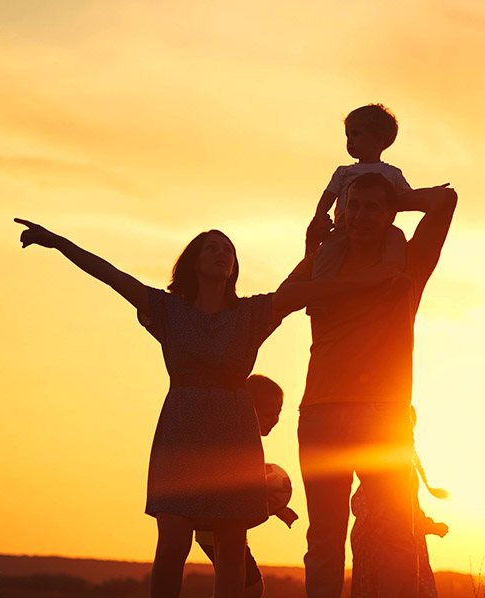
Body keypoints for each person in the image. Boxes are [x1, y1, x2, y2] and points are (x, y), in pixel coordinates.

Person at [14, 219, 300, 598]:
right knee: (173, 543)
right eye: (211, 247)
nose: (221, 254)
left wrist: (319, 249)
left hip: (235, 436)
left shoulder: (249, 314)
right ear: (193, 262)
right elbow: (111, 275)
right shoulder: (167, 310)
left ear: (234, 267)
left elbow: (296, 293)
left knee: (231, 547)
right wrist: (58, 242)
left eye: (228, 250)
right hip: (181, 431)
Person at [276, 172, 457, 598]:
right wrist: (313, 251)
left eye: (372, 207)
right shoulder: (321, 262)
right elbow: (279, 303)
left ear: (390, 213)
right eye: (352, 205)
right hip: (322, 413)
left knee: (396, 533)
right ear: (341, 210)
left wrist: (398, 197)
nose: (359, 215)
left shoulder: (408, 264)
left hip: (385, 415)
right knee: (324, 539)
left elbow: (445, 202)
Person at [194, 374, 299, 598]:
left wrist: (278, 508)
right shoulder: (235, 443)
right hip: (215, 528)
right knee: (246, 587)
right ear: (248, 410)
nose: (275, 420)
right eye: (270, 414)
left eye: (279, 414)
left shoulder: (244, 442)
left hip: (225, 527)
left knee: (240, 586)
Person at [350, 407, 449, 598]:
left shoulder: (404, 465)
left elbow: (410, 507)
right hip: (381, 541)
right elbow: (364, 501)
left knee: (409, 585)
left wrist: (428, 525)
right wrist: (379, 526)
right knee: (389, 585)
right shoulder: (383, 463)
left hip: (403, 538)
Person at [306, 104, 411, 280]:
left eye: (356, 134)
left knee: (396, 238)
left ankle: (394, 279)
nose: (350, 141)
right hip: (343, 229)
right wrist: (320, 218)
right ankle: (318, 297)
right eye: (348, 135)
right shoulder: (343, 172)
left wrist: (431, 193)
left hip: (380, 229)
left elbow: (408, 197)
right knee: (326, 253)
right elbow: (328, 196)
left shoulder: (391, 173)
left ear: (378, 140)